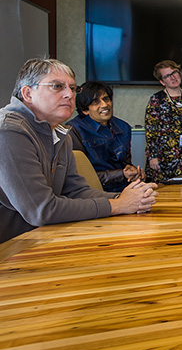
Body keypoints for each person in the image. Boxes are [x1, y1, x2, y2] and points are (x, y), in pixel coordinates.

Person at [0, 58, 158, 243]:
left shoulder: (59, 132)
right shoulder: (9, 131)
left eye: (72, 88)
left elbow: (76, 191)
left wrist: (132, 197)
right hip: (12, 251)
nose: (69, 94)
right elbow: (42, 210)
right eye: (57, 86)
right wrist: (118, 204)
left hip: (45, 238)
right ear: (28, 93)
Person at [68, 81, 145, 192]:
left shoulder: (123, 127)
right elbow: (80, 175)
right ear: (85, 110)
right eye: (95, 102)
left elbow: (125, 164)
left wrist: (134, 173)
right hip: (92, 193)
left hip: (124, 189)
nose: (104, 105)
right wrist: (121, 174)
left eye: (106, 99)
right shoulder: (73, 130)